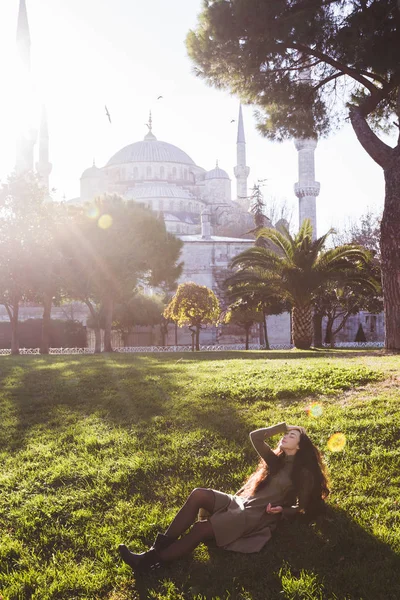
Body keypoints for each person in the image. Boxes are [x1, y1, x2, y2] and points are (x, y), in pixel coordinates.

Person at [118, 422, 329, 572]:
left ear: (300, 446)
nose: (285, 437)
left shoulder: (303, 474)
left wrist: (282, 510)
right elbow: (255, 437)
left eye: (291, 436)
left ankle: (150, 562)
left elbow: (303, 507)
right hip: (240, 503)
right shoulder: (276, 462)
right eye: (286, 434)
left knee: (200, 529)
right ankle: (160, 547)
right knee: (199, 494)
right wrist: (283, 427)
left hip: (252, 516)